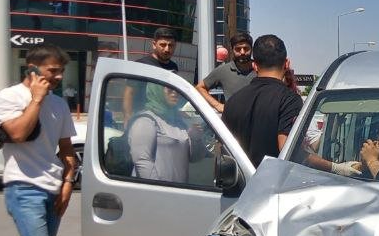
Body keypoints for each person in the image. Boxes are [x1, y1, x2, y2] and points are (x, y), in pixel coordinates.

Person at [0, 45, 78, 236]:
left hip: (53, 186)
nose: (59, 77)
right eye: (53, 71)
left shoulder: (59, 104)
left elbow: (66, 150)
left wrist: (67, 184)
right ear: (32, 68)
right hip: (23, 186)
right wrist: (36, 99)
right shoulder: (10, 97)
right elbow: (17, 134)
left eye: (61, 72)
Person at [221, 34, 303, 166]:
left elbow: (222, 150)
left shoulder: (233, 101)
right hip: (273, 183)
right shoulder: (290, 100)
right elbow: (287, 149)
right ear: (287, 63)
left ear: (254, 66)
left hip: (239, 183)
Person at [128, 84, 206, 182]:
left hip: (178, 193)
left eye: (177, 89)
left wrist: (195, 138)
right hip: (158, 194)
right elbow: (142, 162)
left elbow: (196, 157)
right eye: (170, 89)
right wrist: (161, 192)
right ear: (156, 90)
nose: (175, 93)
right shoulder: (145, 121)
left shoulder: (177, 121)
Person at [124, 27, 182, 118]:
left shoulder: (173, 67)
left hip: (166, 119)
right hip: (144, 118)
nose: (167, 49)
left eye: (171, 45)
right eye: (163, 45)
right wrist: (127, 118)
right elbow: (129, 93)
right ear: (154, 45)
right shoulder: (141, 65)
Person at [196, 32, 255, 113]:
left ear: (251, 49)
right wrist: (217, 105)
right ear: (232, 50)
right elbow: (199, 88)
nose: (242, 52)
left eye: (246, 48)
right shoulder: (223, 70)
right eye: (238, 49)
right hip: (232, 122)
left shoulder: (261, 69)